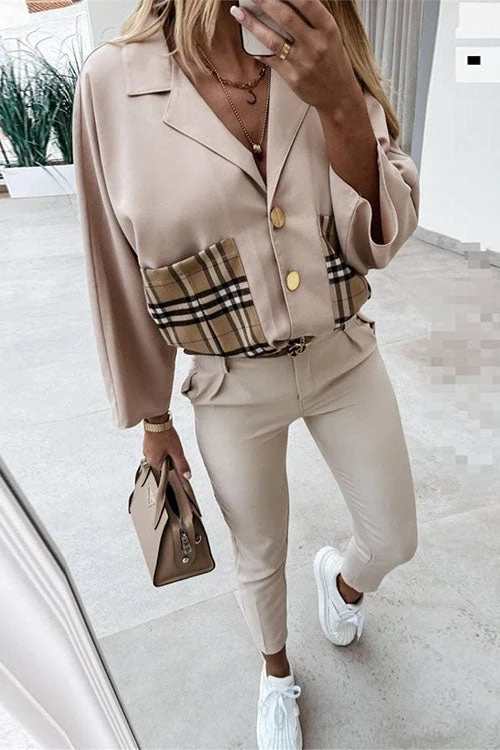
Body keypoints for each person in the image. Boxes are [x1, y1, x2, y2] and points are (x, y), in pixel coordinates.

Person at [72, 1, 420, 747]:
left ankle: (342, 582)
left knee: (394, 536)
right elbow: (118, 274)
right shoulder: (113, 83)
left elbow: (380, 238)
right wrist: (153, 419)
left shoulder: (319, 46)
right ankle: (275, 674)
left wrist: (339, 101)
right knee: (259, 553)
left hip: (344, 354)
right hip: (228, 383)